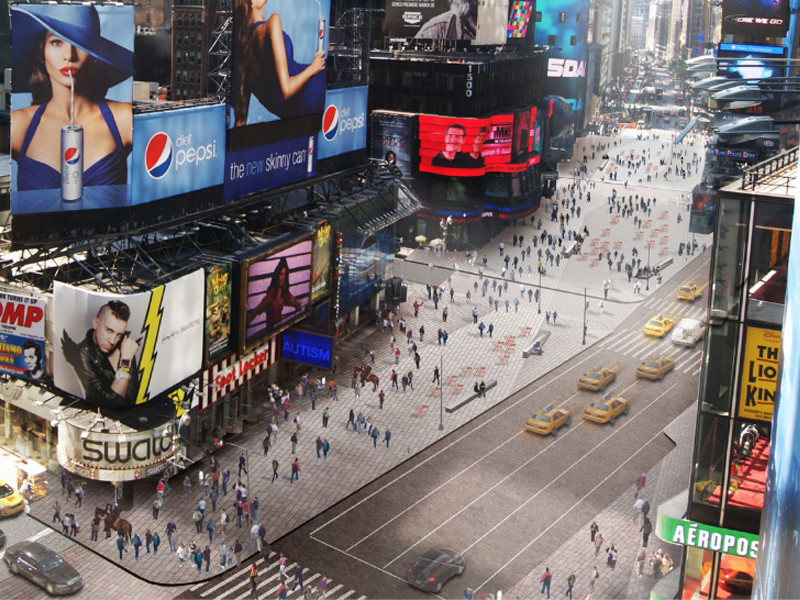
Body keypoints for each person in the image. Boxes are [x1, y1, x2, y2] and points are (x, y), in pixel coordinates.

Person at [10, 4, 133, 193]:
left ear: (94, 55)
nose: (69, 56)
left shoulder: (123, 119)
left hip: (108, 223)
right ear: (42, 51)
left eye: (80, 43)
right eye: (57, 42)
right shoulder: (20, 124)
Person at [232, 0, 326, 126]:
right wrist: (313, 68)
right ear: (251, 3)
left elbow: (240, 122)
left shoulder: (243, 56)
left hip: (297, 115)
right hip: (312, 92)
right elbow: (286, 90)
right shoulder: (273, 22)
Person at [60, 300, 141, 408]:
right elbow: (111, 403)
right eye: (109, 330)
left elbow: (131, 398)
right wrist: (125, 363)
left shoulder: (125, 346)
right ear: (95, 323)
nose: (112, 340)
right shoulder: (83, 354)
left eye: (119, 334)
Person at [246, 257, 303, 331]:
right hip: (270, 331)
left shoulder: (284, 292)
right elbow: (257, 310)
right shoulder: (271, 293)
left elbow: (295, 303)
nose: (282, 278)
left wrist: (298, 306)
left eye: (284, 275)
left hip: (280, 329)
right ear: (276, 275)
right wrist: (245, 325)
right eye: (280, 274)